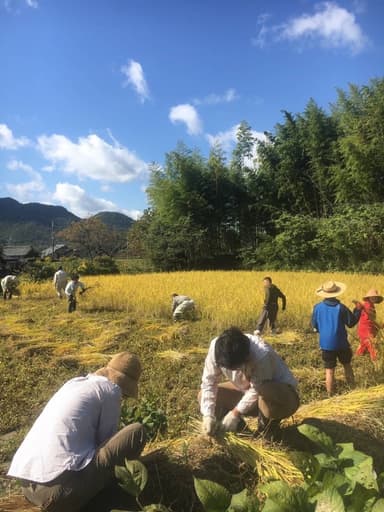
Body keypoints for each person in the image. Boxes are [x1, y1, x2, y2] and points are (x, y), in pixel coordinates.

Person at [7, 352, 146, 512]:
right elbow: (107, 446)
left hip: (27, 486)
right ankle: (118, 494)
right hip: (55, 494)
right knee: (137, 431)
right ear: (123, 385)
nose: (123, 397)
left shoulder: (74, 383)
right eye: (126, 395)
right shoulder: (111, 390)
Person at [199, 326, 299, 440]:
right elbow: (209, 382)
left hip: (281, 399)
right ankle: (244, 435)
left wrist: (235, 413)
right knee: (203, 395)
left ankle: (267, 432)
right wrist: (208, 415)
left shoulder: (261, 354)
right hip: (247, 393)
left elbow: (256, 389)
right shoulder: (216, 349)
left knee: (265, 391)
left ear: (246, 357)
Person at [312, 280, 361, 396]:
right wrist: (358, 310)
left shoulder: (317, 308)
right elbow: (351, 322)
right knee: (347, 365)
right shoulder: (341, 307)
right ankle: (353, 391)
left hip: (325, 344)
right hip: (341, 343)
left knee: (329, 371)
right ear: (336, 293)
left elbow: (315, 326)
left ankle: (330, 396)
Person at [355, 289, 383, 362]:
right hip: (365, 329)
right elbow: (371, 319)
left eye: (375, 297)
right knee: (371, 345)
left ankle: (357, 357)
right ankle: (375, 361)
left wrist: (378, 326)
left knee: (364, 344)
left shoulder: (371, 305)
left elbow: (371, 320)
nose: (374, 298)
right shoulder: (367, 305)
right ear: (368, 297)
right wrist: (379, 326)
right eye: (372, 297)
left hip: (367, 328)